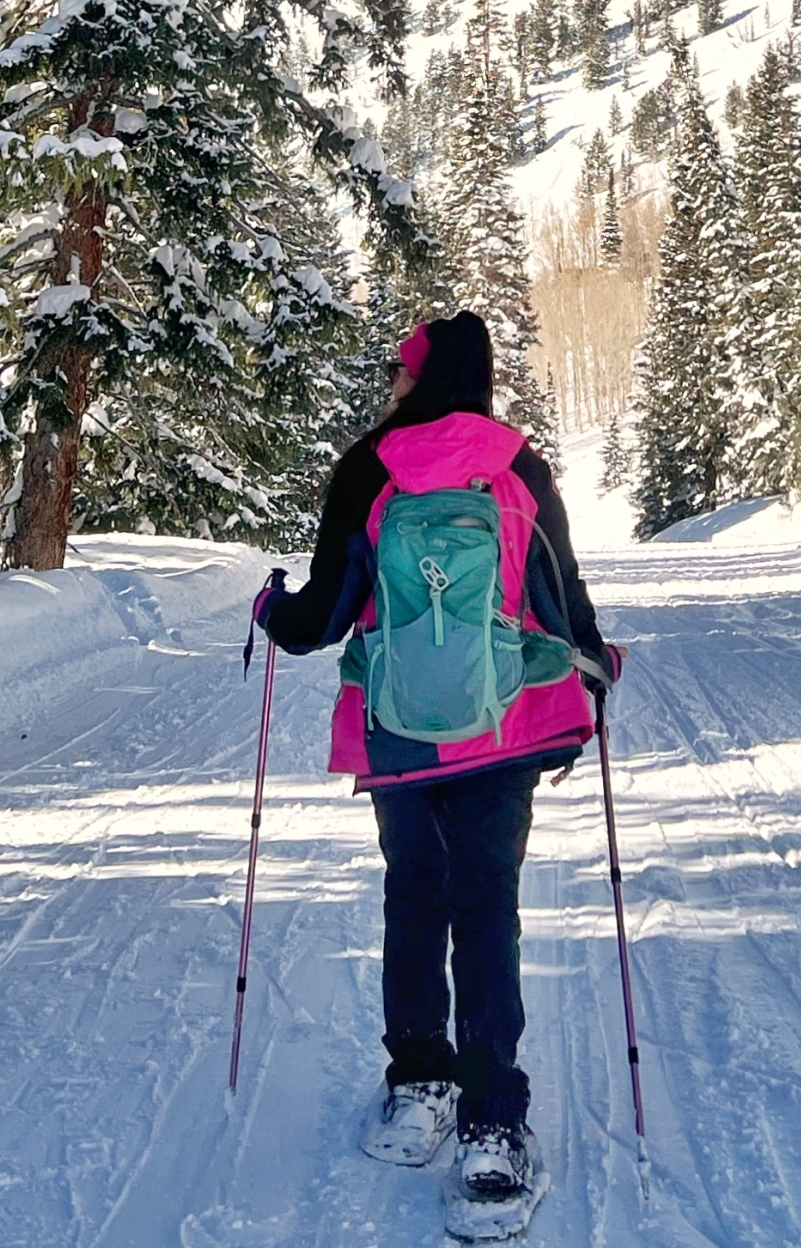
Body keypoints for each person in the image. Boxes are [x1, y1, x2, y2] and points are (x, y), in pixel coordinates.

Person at [255, 311, 618, 1212]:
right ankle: (495, 1118)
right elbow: (559, 593)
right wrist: (594, 674)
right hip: (504, 729)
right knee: (487, 903)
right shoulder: (517, 464)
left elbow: (324, 619)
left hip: (401, 731)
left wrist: (272, 607)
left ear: (419, 376)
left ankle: (420, 1083)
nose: (392, 383)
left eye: (399, 369)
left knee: (415, 892)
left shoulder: (371, 468)